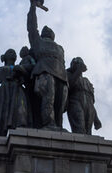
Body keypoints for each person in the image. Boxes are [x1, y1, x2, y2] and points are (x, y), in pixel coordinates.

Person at [26, 0, 68, 129]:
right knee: (48, 98)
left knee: (60, 103)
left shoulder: (60, 48)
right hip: (44, 71)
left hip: (61, 75)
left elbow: (64, 63)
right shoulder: (38, 41)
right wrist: (33, 7)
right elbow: (32, 26)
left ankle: (58, 125)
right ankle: (48, 124)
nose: (48, 31)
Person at [0, 48, 32, 138]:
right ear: (5, 57)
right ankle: (1, 133)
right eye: (10, 52)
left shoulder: (21, 66)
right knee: (2, 116)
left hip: (18, 91)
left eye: (14, 52)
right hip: (3, 94)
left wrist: (22, 70)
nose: (13, 53)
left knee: (21, 112)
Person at [66, 57, 102, 135]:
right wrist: (78, 71)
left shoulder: (87, 81)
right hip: (74, 101)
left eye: (79, 63)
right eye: (76, 63)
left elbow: (91, 102)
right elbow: (70, 85)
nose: (78, 65)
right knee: (79, 128)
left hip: (89, 105)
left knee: (88, 132)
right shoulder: (68, 74)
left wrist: (96, 118)